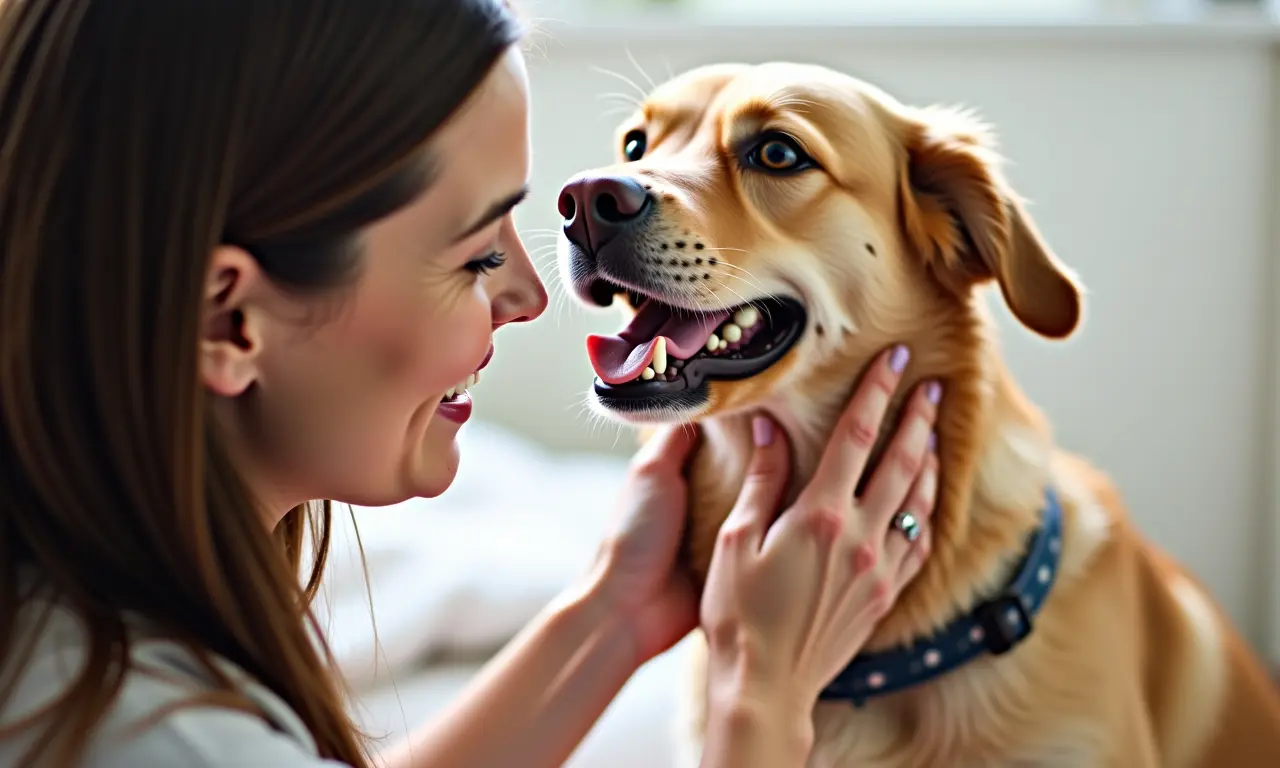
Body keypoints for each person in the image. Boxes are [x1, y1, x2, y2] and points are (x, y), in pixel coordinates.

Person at [0, 1, 940, 767]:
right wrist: (763, 694)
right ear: (225, 322)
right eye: (475, 253)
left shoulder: (75, 624)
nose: (534, 296)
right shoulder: (150, 740)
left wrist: (615, 609)